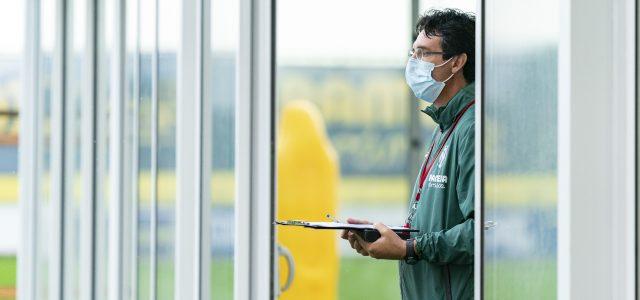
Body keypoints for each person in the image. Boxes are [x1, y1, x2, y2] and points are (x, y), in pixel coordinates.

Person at [341, 8, 475, 300]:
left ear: (458, 62)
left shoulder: (471, 125)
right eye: (413, 53)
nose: (414, 63)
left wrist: (409, 249)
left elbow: (481, 233)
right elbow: (438, 226)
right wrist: (389, 238)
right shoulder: (444, 124)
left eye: (425, 54)